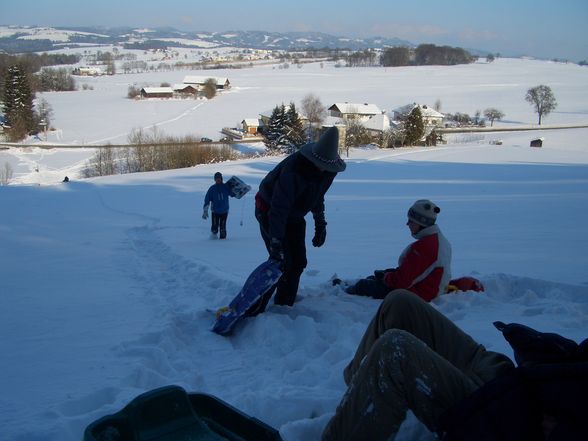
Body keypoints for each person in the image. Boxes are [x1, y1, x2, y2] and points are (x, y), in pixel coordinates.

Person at [321, 290, 515, 441]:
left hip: (498, 411)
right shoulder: (427, 245)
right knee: (399, 302)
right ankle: (359, 386)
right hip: (498, 371)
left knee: (395, 349)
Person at [249, 126, 346, 314]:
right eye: (320, 165)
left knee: (299, 261)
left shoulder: (328, 170)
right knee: (281, 261)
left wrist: (320, 224)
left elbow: (317, 195)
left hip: (294, 214)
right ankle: (255, 307)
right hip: (269, 210)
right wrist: (276, 241)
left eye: (327, 167)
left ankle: (284, 305)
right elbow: (278, 208)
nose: (323, 169)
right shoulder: (294, 171)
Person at [343, 199, 451, 302]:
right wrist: (388, 274)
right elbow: (415, 271)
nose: (407, 224)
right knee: (374, 278)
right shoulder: (438, 240)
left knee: (363, 285)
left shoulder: (425, 246)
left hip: (418, 295)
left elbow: (402, 282)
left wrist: (386, 277)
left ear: (421, 223)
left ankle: (343, 293)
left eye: (411, 221)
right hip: (427, 289)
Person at [202, 172, 234, 239]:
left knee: (223, 227)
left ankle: (223, 242)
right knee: (214, 227)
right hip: (215, 211)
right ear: (215, 179)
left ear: (221, 178)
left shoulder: (226, 187)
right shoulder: (212, 188)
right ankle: (213, 238)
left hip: (224, 211)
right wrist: (205, 209)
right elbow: (207, 198)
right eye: (216, 178)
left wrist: (243, 190)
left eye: (219, 178)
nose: (218, 179)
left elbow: (233, 194)